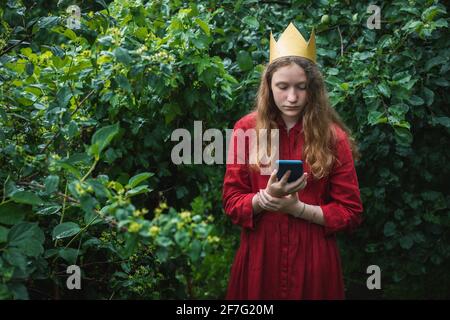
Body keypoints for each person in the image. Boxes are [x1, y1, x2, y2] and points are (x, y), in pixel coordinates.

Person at [222, 22, 363, 299]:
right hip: (261, 258)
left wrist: (298, 209)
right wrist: (266, 198)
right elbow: (231, 202)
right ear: (269, 86)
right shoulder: (246, 129)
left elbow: (351, 212)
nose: (292, 97)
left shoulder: (334, 138)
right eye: (282, 86)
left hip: (314, 260)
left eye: (301, 87)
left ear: (313, 89)